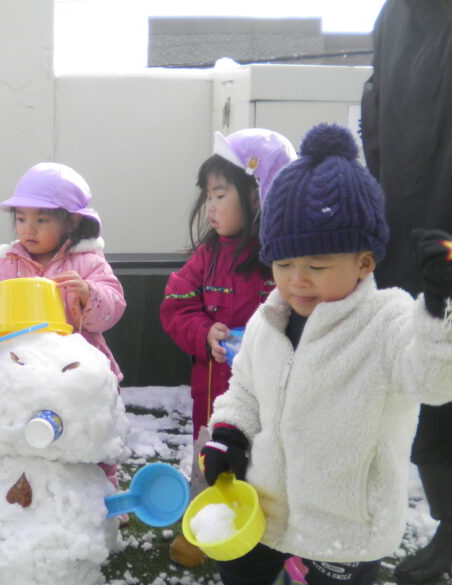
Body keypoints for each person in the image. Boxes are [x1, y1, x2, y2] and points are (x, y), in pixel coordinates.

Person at [197, 123, 452, 585]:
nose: (297, 281)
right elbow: (245, 391)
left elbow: (435, 382)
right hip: (264, 509)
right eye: (284, 264)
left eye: (316, 266)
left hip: (347, 529)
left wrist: (440, 309)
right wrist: (229, 433)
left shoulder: (388, 321)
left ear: (364, 262)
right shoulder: (267, 321)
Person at [160, 128, 296, 567]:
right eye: (208, 195)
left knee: (269, 467)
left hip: (276, 401)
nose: (210, 206)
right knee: (212, 459)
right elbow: (175, 306)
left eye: (220, 194)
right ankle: (204, 528)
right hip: (215, 395)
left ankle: (270, 538)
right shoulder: (208, 256)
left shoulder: (282, 258)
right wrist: (204, 332)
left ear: (257, 196)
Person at [0, 161, 127, 513]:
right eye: (21, 219)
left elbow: (113, 308)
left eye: (42, 219)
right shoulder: (3, 264)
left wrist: (88, 293)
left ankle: (105, 489)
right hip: (23, 371)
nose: (29, 229)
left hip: (75, 370)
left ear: (71, 221)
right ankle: (30, 491)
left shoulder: (87, 262)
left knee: (90, 430)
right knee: (23, 431)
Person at [360, 2, 452, 583]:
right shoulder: (394, 16)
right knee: (422, 382)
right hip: (407, 228)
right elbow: (377, 116)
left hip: (417, 224)